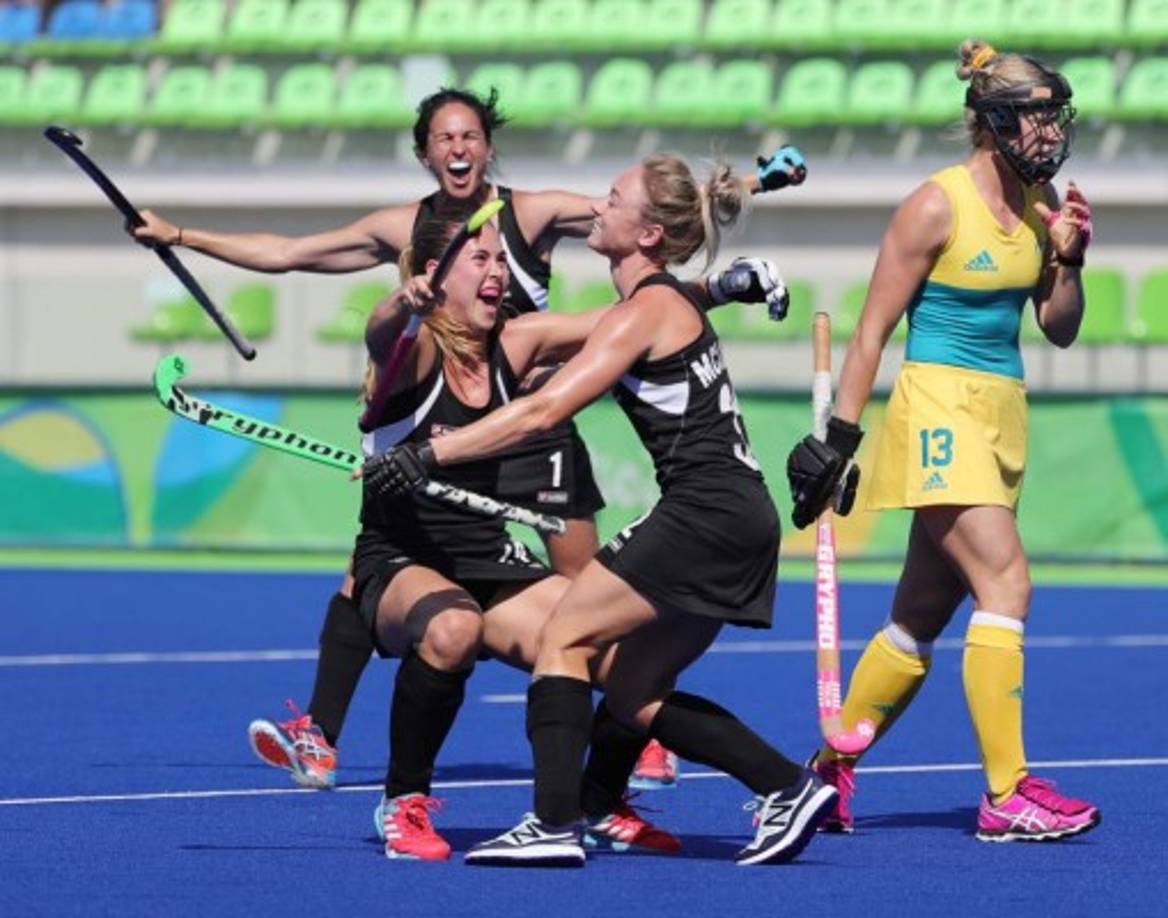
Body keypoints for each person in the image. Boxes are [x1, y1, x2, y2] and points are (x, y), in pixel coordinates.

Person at [131, 87, 801, 791]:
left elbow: (645, 225)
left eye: (471, 136)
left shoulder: (532, 215)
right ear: (425, 153)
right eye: (444, 139)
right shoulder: (404, 231)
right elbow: (295, 254)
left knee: (582, 609)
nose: (459, 149)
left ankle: (626, 733)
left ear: (488, 147)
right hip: (446, 410)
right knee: (386, 559)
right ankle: (329, 738)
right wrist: (180, 236)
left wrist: (742, 222)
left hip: (531, 418)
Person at [365, 154, 838, 867]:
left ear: (647, 233)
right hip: (743, 517)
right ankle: (785, 786)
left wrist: (431, 456)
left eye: (613, 199)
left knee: (565, 638)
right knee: (634, 687)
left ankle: (553, 824)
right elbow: (563, 367)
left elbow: (545, 409)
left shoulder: (646, 307)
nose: (598, 206)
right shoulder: (653, 306)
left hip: (702, 512)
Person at [784, 40, 1100, 843]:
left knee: (919, 614)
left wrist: (1071, 262)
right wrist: (836, 444)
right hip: (938, 410)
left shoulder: (1041, 203)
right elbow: (870, 333)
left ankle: (825, 775)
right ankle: (1007, 793)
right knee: (1007, 585)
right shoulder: (936, 204)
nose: (1046, 131)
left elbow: (1059, 329)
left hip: (1002, 413)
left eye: (1051, 116)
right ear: (993, 122)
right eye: (1032, 116)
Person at [353, 201, 687, 861]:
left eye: (501, 260)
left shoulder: (515, 341)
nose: (497, 272)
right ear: (434, 275)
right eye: (479, 259)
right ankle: (404, 803)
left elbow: (621, 320)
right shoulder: (413, 348)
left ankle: (596, 801)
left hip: (489, 562)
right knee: (453, 631)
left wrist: (715, 287)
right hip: (400, 563)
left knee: (621, 648)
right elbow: (381, 331)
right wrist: (402, 302)